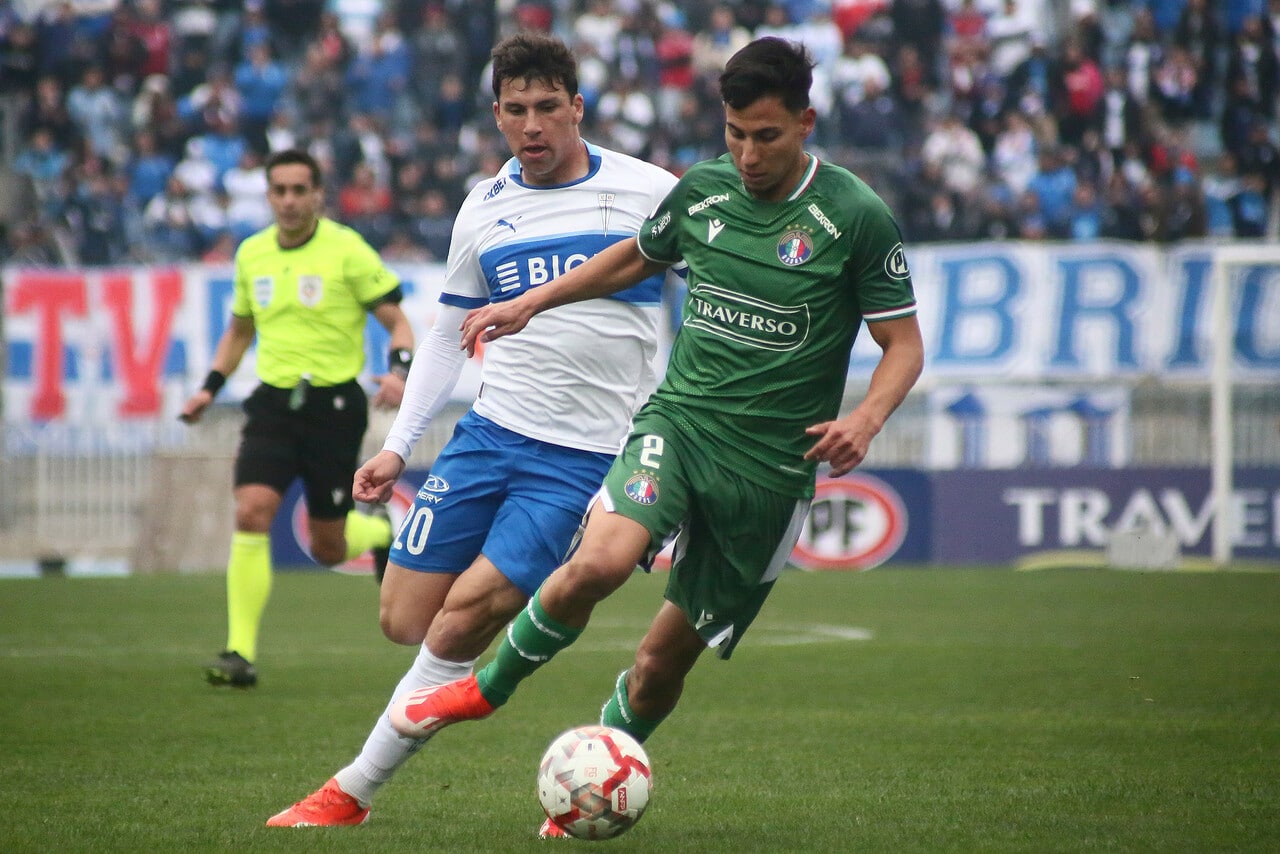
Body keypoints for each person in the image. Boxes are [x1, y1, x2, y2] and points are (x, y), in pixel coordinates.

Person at [386, 36, 925, 833]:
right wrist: (531, 304)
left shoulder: (855, 217)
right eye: (735, 133)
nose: (746, 154)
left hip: (771, 473)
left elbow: (903, 344)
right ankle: (482, 688)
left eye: (766, 136)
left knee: (658, 666)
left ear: (806, 123)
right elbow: (631, 259)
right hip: (679, 426)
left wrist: (866, 416)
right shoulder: (701, 192)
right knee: (594, 564)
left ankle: (595, 780)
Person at [264, 33, 679, 829]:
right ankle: (486, 655)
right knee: (405, 619)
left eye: (549, 108)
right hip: (489, 437)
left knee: (461, 617)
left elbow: (701, 300)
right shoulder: (484, 207)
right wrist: (395, 444)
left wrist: (661, 442)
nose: (533, 125)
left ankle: (351, 791)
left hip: (583, 458)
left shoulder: (647, 192)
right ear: (495, 115)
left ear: (577, 107)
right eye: (516, 110)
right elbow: (449, 333)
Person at [180, 147, 414, 689]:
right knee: (252, 511)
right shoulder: (252, 254)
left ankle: (375, 532)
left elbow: (397, 321)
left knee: (326, 548)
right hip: (273, 404)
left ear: (317, 196)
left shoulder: (347, 250)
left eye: (298, 190)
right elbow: (239, 331)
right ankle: (239, 653)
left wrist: (398, 371)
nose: (288, 201)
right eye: (278, 191)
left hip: (334, 408)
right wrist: (207, 389)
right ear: (268, 196)